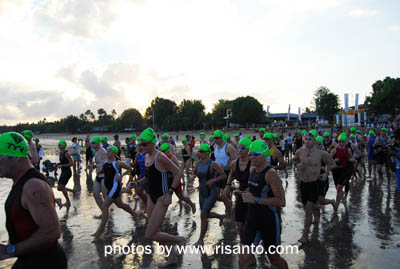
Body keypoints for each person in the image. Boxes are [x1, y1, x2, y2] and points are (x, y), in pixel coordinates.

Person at [0, 132, 67, 268]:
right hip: (29, 259)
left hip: (45, 262)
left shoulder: (33, 186)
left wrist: (10, 250)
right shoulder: (20, 180)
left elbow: (52, 232)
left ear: (17, 157)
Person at [134, 128, 186, 267]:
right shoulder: (146, 157)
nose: (141, 147)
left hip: (162, 198)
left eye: (144, 144)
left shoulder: (160, 156)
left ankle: (179, 239)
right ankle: (171, 258)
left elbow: (178, 173)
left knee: (150, 234)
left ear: (152, 143)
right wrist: (137, 183)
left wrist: (170, 193)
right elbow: (149, 177)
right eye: (140, 144)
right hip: (152, 196)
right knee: (155, 231)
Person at [238, 140, 288, 269]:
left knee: (274, 258)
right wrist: (244, 192)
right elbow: (254, 190)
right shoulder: (252, 170)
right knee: (243, 258)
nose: (251, 157)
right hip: (251, 220)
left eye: (255, 155)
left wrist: (255, 199)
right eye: (250, 154)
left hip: (268, 221)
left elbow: (281, 202)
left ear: (264, 155)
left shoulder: (271, 174)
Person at [293, 133, 333, 244]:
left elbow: (330, 163)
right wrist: (298, 166)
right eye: (306, 139)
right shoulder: (299, 152)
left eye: (310, 139)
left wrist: (326, 174)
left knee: (308, 210)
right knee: (307, 209)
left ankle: (305, 235)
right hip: (303, 184)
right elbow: (295, 160)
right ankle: (317, 210)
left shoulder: (321, 154)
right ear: (303, 140)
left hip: (315, 183)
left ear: (314, 141)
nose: (308, 141)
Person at [92, 146, 138, 238]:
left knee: (105, 206)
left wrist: (122, 175)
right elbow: (106, 170)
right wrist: (99, 171)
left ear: (114, 153)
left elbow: (130, 169)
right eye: (107, 151)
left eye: (109, 151)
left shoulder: (117, 163)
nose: (107, 152)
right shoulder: (106, 162)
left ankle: (101, 230)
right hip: (109, 188)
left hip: (114, 187)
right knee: (120, 204)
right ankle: (134, 214)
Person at [193, 144, 226, 246]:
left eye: (202, 151)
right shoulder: (198, 163)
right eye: (199, 151)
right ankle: (220, 217)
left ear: (207, 153)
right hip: (202, 191)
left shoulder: (213, 164)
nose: (199, 153)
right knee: (204, 214)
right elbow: (196, 174)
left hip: (212, 192)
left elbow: (223, 175)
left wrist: (213, 180)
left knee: (203, 214)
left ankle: (200, 240)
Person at [223, 136, 252, 240]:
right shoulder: (234, 163)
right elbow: (231, 174)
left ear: (249, 150)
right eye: (239, 147)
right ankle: (243, 243)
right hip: (240, 195)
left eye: (243, 148)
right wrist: (227, 186)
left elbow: (256, 182)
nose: (240, 150)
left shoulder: (252, 163)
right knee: (239, 225)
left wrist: (244, 191)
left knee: (249, 225)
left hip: (252, 195)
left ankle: (249, 246)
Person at [160, 143, 196, 213]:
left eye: (164, 151)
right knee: (164, 197)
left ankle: (192, 204)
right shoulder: (162, 158)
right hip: (167, 179)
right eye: (162, 151)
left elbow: (178, 170)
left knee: (181, 197)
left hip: (174, 180)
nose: (163, 153)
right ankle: (161, 214)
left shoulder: (172, 157)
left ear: (168, 150)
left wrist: (181, 180)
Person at [213, 130, 238, 216]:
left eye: (217, 138)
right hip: (218, 174)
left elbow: (236, 159)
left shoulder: (228, 147)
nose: (215, 140)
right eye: (214, 138)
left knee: (224, 195)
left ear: (221, 137)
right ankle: (229, 202)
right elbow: (216, 159)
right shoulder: (214, 147)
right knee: (216, 196)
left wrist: (228, 166)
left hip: (227, 173)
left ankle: (229, 213)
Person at [330, 133, 356, 211]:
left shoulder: (347, 150)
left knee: (339, 188)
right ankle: (342, 199)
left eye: (343, 141)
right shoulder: (334, 150)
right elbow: (328, 159)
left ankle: (336, 206)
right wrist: (334, 160)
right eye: (340, 141)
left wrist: (351, 160)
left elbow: (351, 158)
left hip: (345, 170)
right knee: (337, 187)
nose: (341, 143)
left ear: (345, 142)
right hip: (336, 170)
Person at [91, 136, 108, 214]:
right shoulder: (96, 151)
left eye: (93, 143)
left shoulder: (103, 151)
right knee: (95, 194)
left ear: (98, 143)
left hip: (104, 176)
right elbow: (99, 163)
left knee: (105, 196)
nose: (92, 145)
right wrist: (93, 166)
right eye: (92, 143)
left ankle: (106, 213)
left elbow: (107, 164)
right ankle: (104, 212)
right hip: (98, 176)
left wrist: (101, 171)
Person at [56, 140, 75, 208]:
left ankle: (68, 201)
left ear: (63, 146)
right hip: (63, 171)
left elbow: (72, 163)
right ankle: (72, 191)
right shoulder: (61, 153)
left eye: (60, 145)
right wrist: (58, 164)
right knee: (59, 188)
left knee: (61, 187)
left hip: (67, 172)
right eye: (58, 145)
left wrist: (62, 166)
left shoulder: (67, 153)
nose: (58, 146)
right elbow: (62, 162)